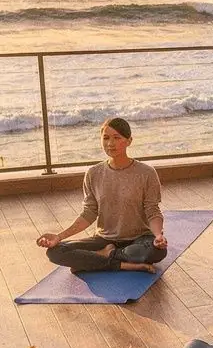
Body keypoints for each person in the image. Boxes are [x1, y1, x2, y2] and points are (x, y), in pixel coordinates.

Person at [36, 117, 167, 273]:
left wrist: (158, 235)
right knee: (55, 252)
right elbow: (89, 213)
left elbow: (152, 210)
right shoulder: (93, 173)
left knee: (157, 251)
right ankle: (121, 263)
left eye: (117, 138)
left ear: (129, 141)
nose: (110, 143)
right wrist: (59, 236)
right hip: (104, 240)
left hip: (138, 239)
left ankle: (100, 257)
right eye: (105, 138)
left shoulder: (146, 173)